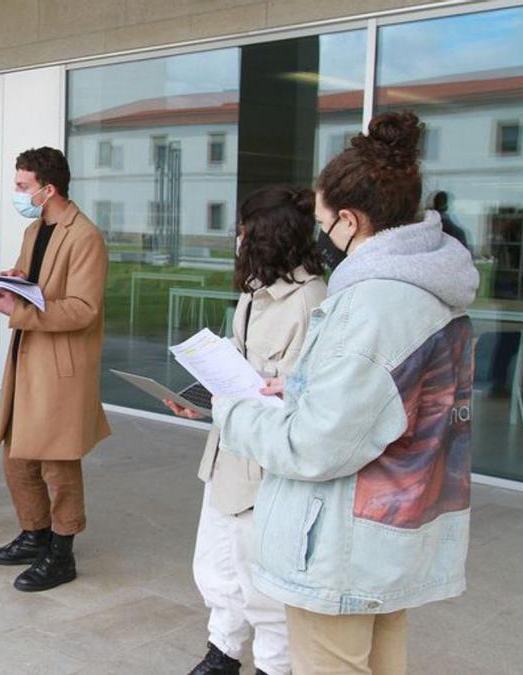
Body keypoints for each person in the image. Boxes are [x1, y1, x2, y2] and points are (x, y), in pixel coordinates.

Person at [213, 111, 479, 675]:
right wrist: (301, 386)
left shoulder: (374, 304)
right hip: (395, 532)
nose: (320, 235)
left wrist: (231, 410)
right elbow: (391, 402)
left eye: (323, 221)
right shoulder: (432, 287)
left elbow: (315, 445)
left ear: (351, 222)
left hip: (343, 544)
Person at [167, 186, 327, 675]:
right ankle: (223, 651)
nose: (237, 239)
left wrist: (261, 393)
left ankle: (272, 666)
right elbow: (241, 359)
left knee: (262, 581)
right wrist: (207, 396)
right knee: (216, 565)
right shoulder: (254, 290)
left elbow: (307, 394)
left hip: (267, 462)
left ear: (266, 236)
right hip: (228, 448)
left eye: (243, 231)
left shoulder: (311, 300)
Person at [0, 147, 110, 592]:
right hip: (28, 355)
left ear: (48, 188)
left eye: (22, 186)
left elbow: (82, 309)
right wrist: (15, 280)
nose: (17, 193)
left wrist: (19, 311)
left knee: (57, 462)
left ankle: (61, 553)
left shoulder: (85, 237)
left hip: (59, 364)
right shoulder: (35, 229)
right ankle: (34, 533)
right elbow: (38, 287)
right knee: (16, 454)